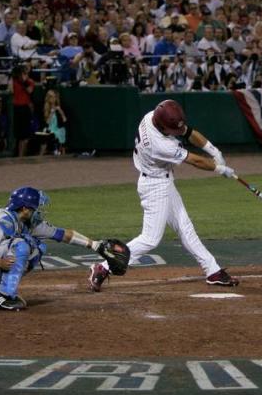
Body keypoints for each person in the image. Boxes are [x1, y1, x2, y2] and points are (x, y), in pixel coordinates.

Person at [89, 99, 239, 291]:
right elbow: (194, 160)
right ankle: (104, 267)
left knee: (186, 229)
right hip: (154, 186)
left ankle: (213, 271)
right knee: (150, 238)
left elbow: (189, 132)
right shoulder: (159, 144)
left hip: (163, 182)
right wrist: (219, 169)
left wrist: (213, 151)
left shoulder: (153, 116)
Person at [0, 186, 106, 311]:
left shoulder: (26, 222)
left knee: (37, 248)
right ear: (25, 208)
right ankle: (3, 297)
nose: (38, 211)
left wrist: (95, 245)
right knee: (22, 245)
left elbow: (63, 234)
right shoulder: (1, 220)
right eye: (35, 208)